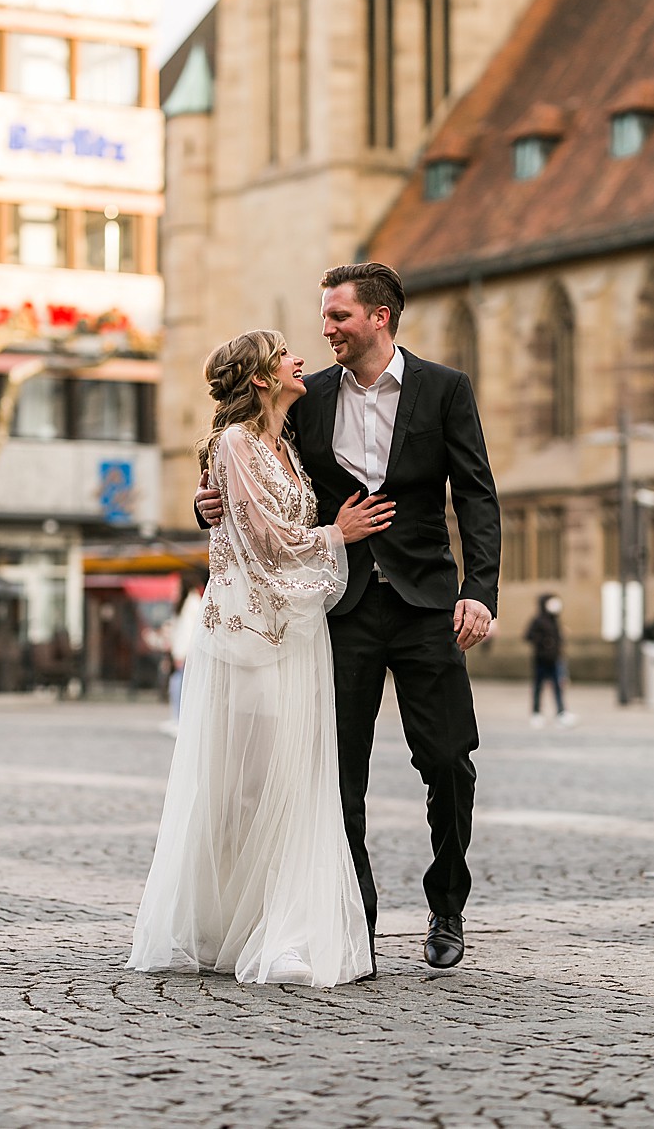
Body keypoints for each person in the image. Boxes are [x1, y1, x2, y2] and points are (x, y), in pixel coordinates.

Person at [194, 262, 500, 974]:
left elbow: (477, 494)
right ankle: (353, 918)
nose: (326, 328)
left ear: (380, 317)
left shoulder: (445, 389)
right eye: (325, 316)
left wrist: (479, 589)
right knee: (336, 775)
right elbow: (247, 460)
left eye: (338, 317)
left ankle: (446, 902)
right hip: (339, 606)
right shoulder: (309, 396)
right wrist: (203, 504)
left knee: (451, 758)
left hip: (427, 602)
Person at [131, 331, 390, 986]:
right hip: (248, 635)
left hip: (294, 630)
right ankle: (243, 927)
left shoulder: (284, 443)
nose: (299, 358)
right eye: (284, 354)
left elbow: (260, 521)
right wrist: (339, 533)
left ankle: (276, 925)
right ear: (261, 379)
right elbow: (267, 540)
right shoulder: (236, 443)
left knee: (293, 779)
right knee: (250, 784)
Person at [159, 567, 208, 737]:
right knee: (176, 685)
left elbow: (188, 631)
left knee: (180, 686)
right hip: (181, 651)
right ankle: (176, 718)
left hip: (186, 652)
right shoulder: (187, 604)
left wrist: (182, 652)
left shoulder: (191, 604)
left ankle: (180, 720)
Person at [523, 593, 574, 728]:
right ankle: (536, 713)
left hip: (556, 659)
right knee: (538, 687)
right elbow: (528, 636)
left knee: (558, 687)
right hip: (541, 660)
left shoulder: (555, 620)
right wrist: (544, 642)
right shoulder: (538, 620)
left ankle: (561, 712)